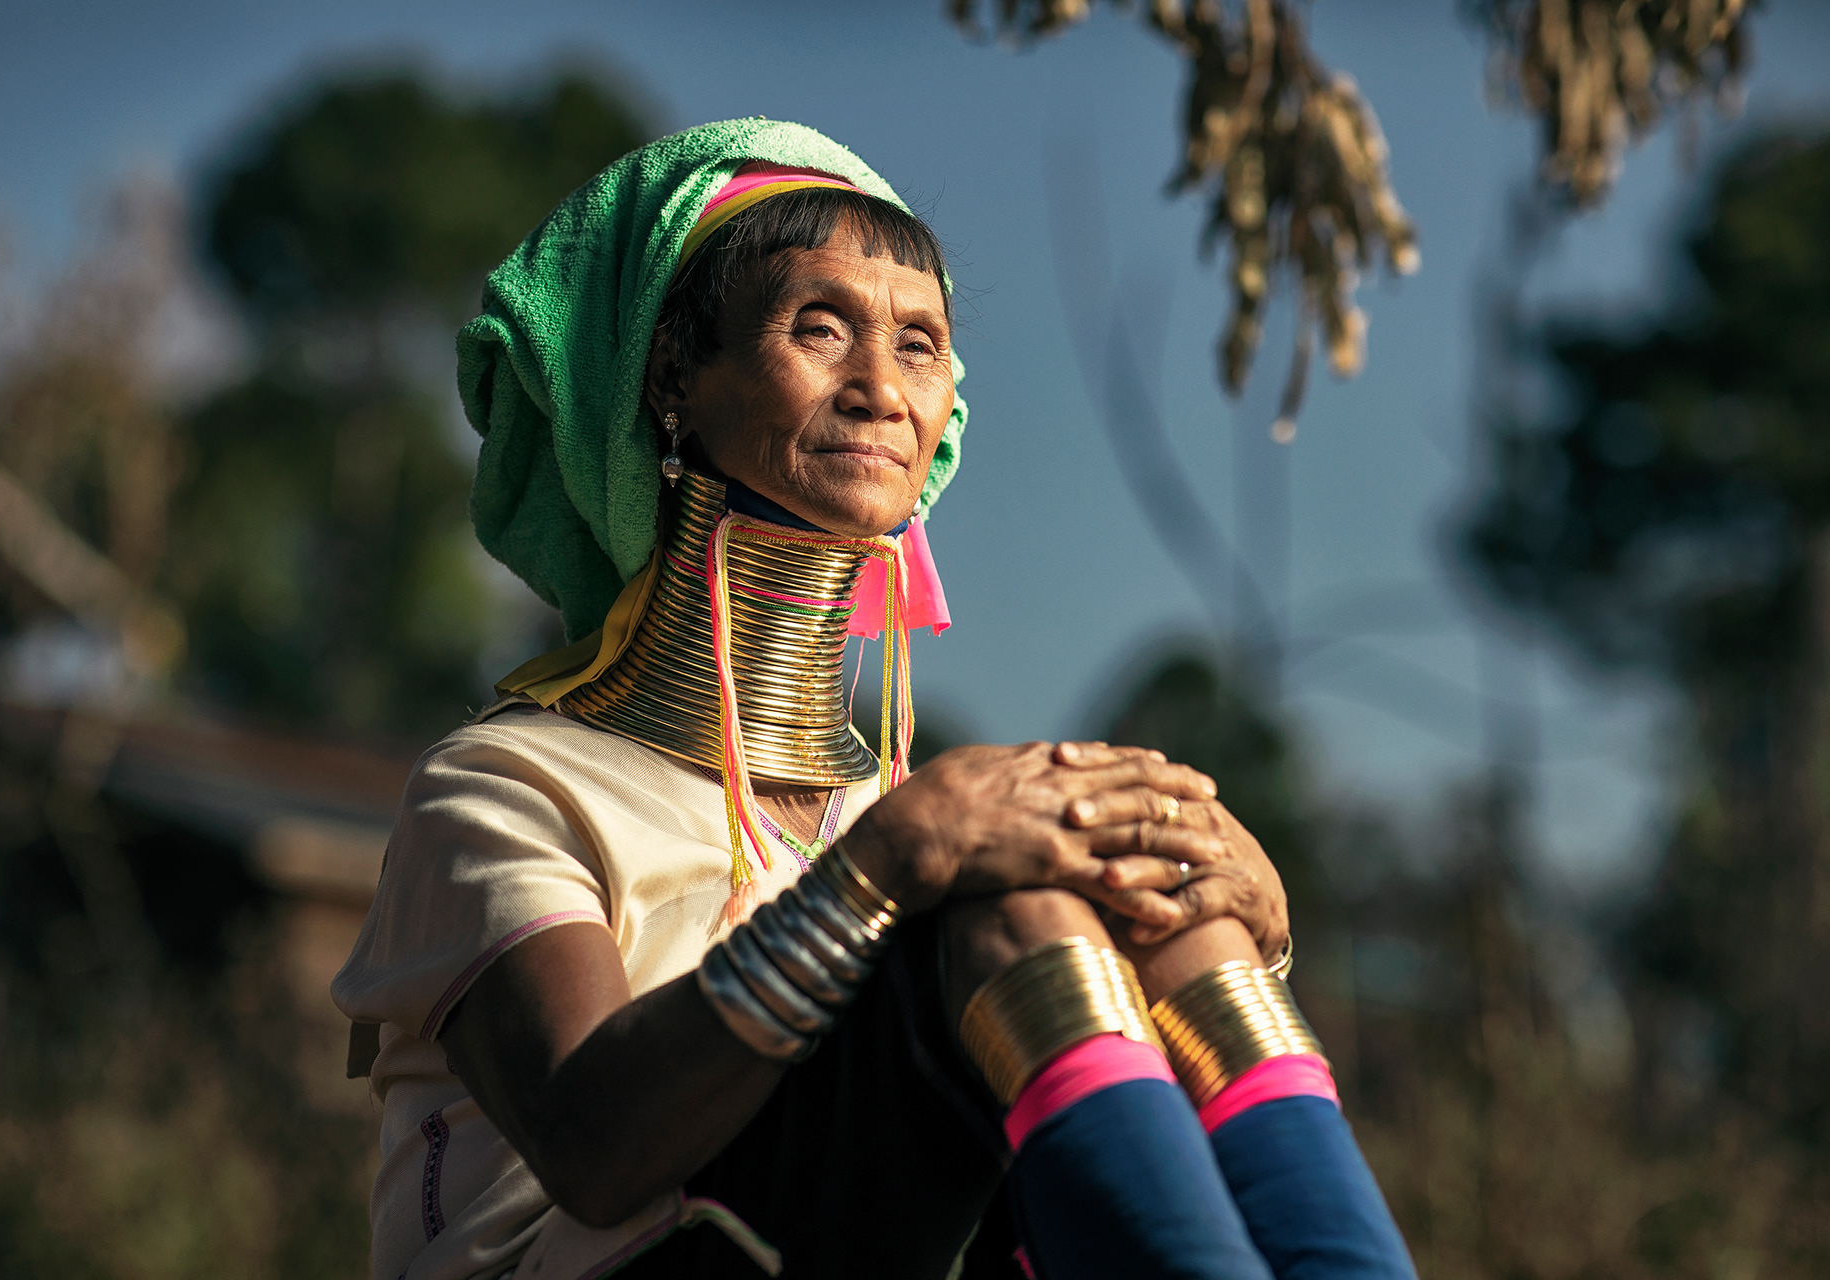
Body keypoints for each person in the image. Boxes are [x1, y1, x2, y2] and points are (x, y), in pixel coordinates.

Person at [334, 119, 1416, 1280]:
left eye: (918, 345)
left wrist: (1247, 937)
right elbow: (596, 1148)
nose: (880, 389)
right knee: (1004, 917)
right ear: (672, 381)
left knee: (1168, 912)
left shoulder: (897, 813)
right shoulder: (507, 788)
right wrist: (879, 873)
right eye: (820, 327)